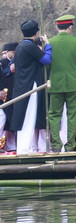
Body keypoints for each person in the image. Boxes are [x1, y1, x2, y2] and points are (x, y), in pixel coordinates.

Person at [10, 20, 52, 154]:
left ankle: (26, 147)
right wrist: (48, 45)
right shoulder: (29, 46)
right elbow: (46, 60)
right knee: (28, 117)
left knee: (26, 117)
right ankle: (25, 148)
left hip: (22, 85)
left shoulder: (21, 47)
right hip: (30, 86)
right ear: (36, 33)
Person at [47, 14, 76, 152]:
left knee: (54, 115)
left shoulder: (50, 42)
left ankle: (56, 145)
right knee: (72, 115)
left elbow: (46, 65)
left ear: (57, 27)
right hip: (74, 83)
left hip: (55, 84)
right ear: (70, 27)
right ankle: (70, 145)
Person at [0, 42, 18, 151]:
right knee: (3, 118)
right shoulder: (2, 63)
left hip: (14, 94)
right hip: (5, 95)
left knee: (12, 121)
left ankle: (11, 145)